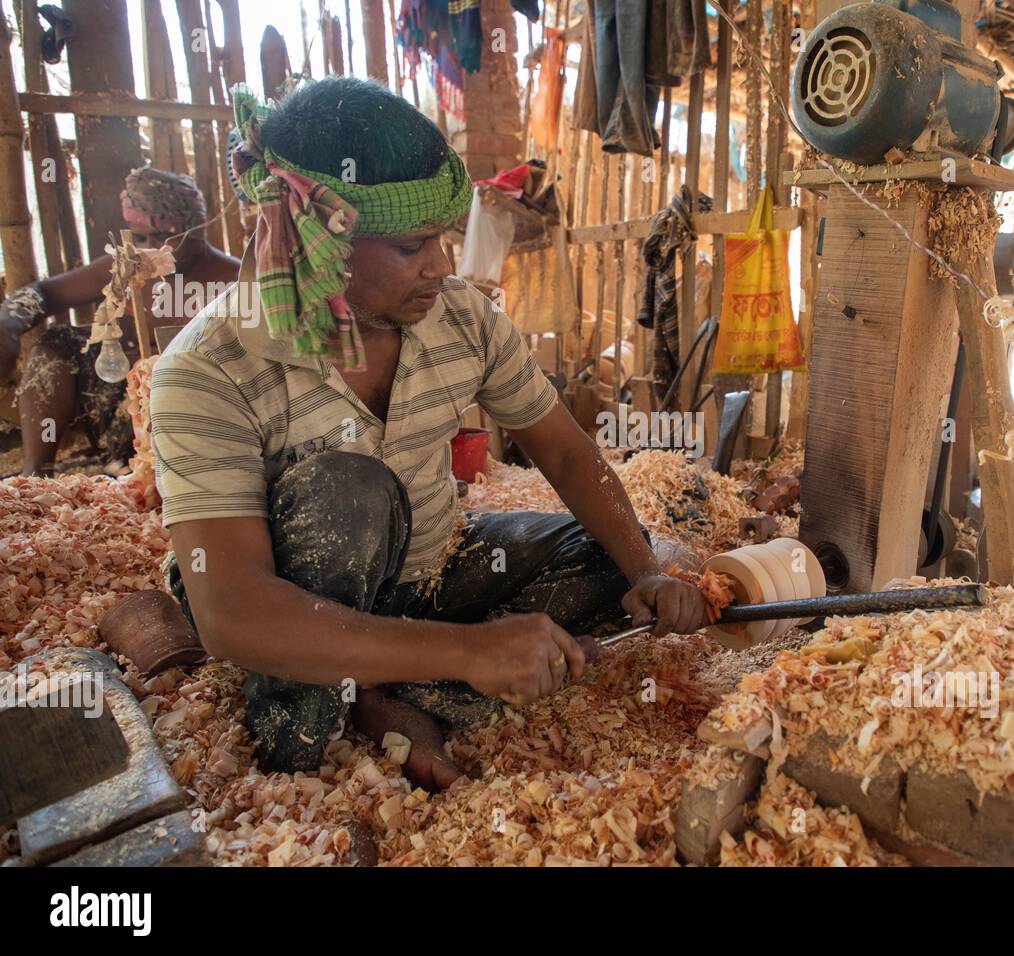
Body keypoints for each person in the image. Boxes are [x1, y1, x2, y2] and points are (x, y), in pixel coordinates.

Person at [149, 77, 710, 790]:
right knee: (347, 487)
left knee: (605, 553)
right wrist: (469, 652)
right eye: (414, 246)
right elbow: (229, 610)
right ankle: (312, 715)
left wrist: (646, 569)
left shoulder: (461, 318)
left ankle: (392, 686)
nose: (442, 266)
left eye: (442, 240)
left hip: (428, 576)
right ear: (317, 239)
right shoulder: (206, 368)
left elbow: (567, 453)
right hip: (296, 609)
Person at [0, 167, 239, 475]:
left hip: (192, 411)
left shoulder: (234, 280)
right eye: (140, 237)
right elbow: (45, 293)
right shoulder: (127, 266)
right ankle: (36, 474)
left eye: (167, 237)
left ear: (198, 229)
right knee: (56, 344)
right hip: (118, 411)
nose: (153, 249)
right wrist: (9, 323)